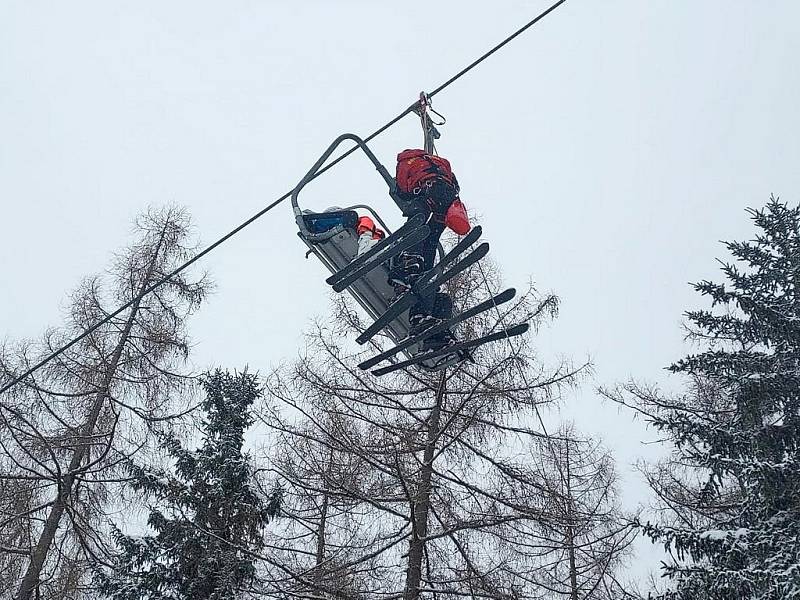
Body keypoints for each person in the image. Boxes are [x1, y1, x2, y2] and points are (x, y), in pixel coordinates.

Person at [389, 149, 471, 351]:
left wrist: (401, 193)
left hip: (425, 198)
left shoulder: (406, 162)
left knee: (417, 227)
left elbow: (401, 188)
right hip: (445, 204)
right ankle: (433, 324)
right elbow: (456, 185)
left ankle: (411, 259)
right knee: (432, 241)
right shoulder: (443, 162)